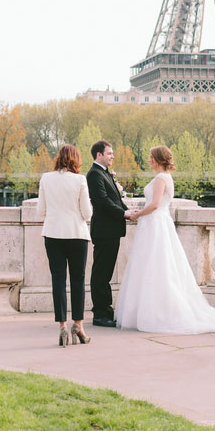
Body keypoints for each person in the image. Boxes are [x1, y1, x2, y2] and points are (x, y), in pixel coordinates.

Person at [116, 145, 215, 335]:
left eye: (151, 157)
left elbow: (155, 204)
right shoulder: (166, 178)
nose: (149, 160)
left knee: (154, 266)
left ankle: (157, 313)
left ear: (158, 159)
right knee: (159, 266)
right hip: (157, 223)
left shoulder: (160, 179)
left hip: (155, 224)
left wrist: (137, 215)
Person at [37, 144, 93, 347]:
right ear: (76, 160)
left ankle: (62, 326)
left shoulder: (46, 178)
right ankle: (78, 325)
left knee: (58, 281)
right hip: (76, 234)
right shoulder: (80, 180)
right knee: (78, 281)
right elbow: (87, 213)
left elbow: (40, 211)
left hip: (52, 234)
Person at [86, 139, 128, 327]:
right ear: (99, 155)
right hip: (104, 231)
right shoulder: (94, 175)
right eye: (109, 153)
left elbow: (115, 200)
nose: (112, 156)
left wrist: (128, 211)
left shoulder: (105, 174)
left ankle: (106, 310)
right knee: (101, 274)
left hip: (111, 230)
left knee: (106, 273)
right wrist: (124, 213)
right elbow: (102, 201)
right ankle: (100, 314)